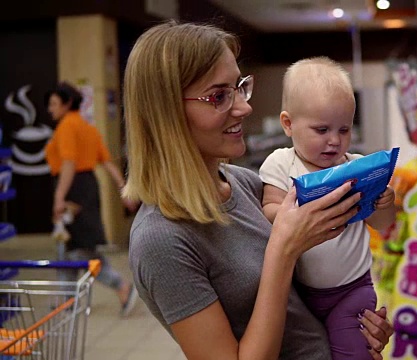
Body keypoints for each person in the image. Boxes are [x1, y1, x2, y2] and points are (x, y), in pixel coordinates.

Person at [123, 21, 394, 360]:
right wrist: (283, 250)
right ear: (167, 112)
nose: (244, 107)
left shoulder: (248, 185)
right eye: (219, 96)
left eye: (239, 87)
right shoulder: (161, 239)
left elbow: (300, 308)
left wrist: (355, 329)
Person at [259, 57, 397, 360]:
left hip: (352, 290)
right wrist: (295, 215)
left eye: (344, 129)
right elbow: (269, 210)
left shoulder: (355, 166)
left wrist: (385, 202)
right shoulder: (281, 164)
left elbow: (383, 224)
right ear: (288, 123)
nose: (334, 141)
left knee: (354, 353)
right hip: (299, 292)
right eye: (322, 130)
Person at [45, 82, 140, 317]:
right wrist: (123, 189)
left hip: (72, 190)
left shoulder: (67, 126)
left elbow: (68, 164)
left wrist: (59, 197)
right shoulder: (87, 128)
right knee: (69, 248)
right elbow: (107, 162)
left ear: (67, 104)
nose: (50, 109)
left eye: (54, 104)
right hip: (87, 188)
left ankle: (121, 287)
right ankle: (69, 300)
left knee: (78, 251)